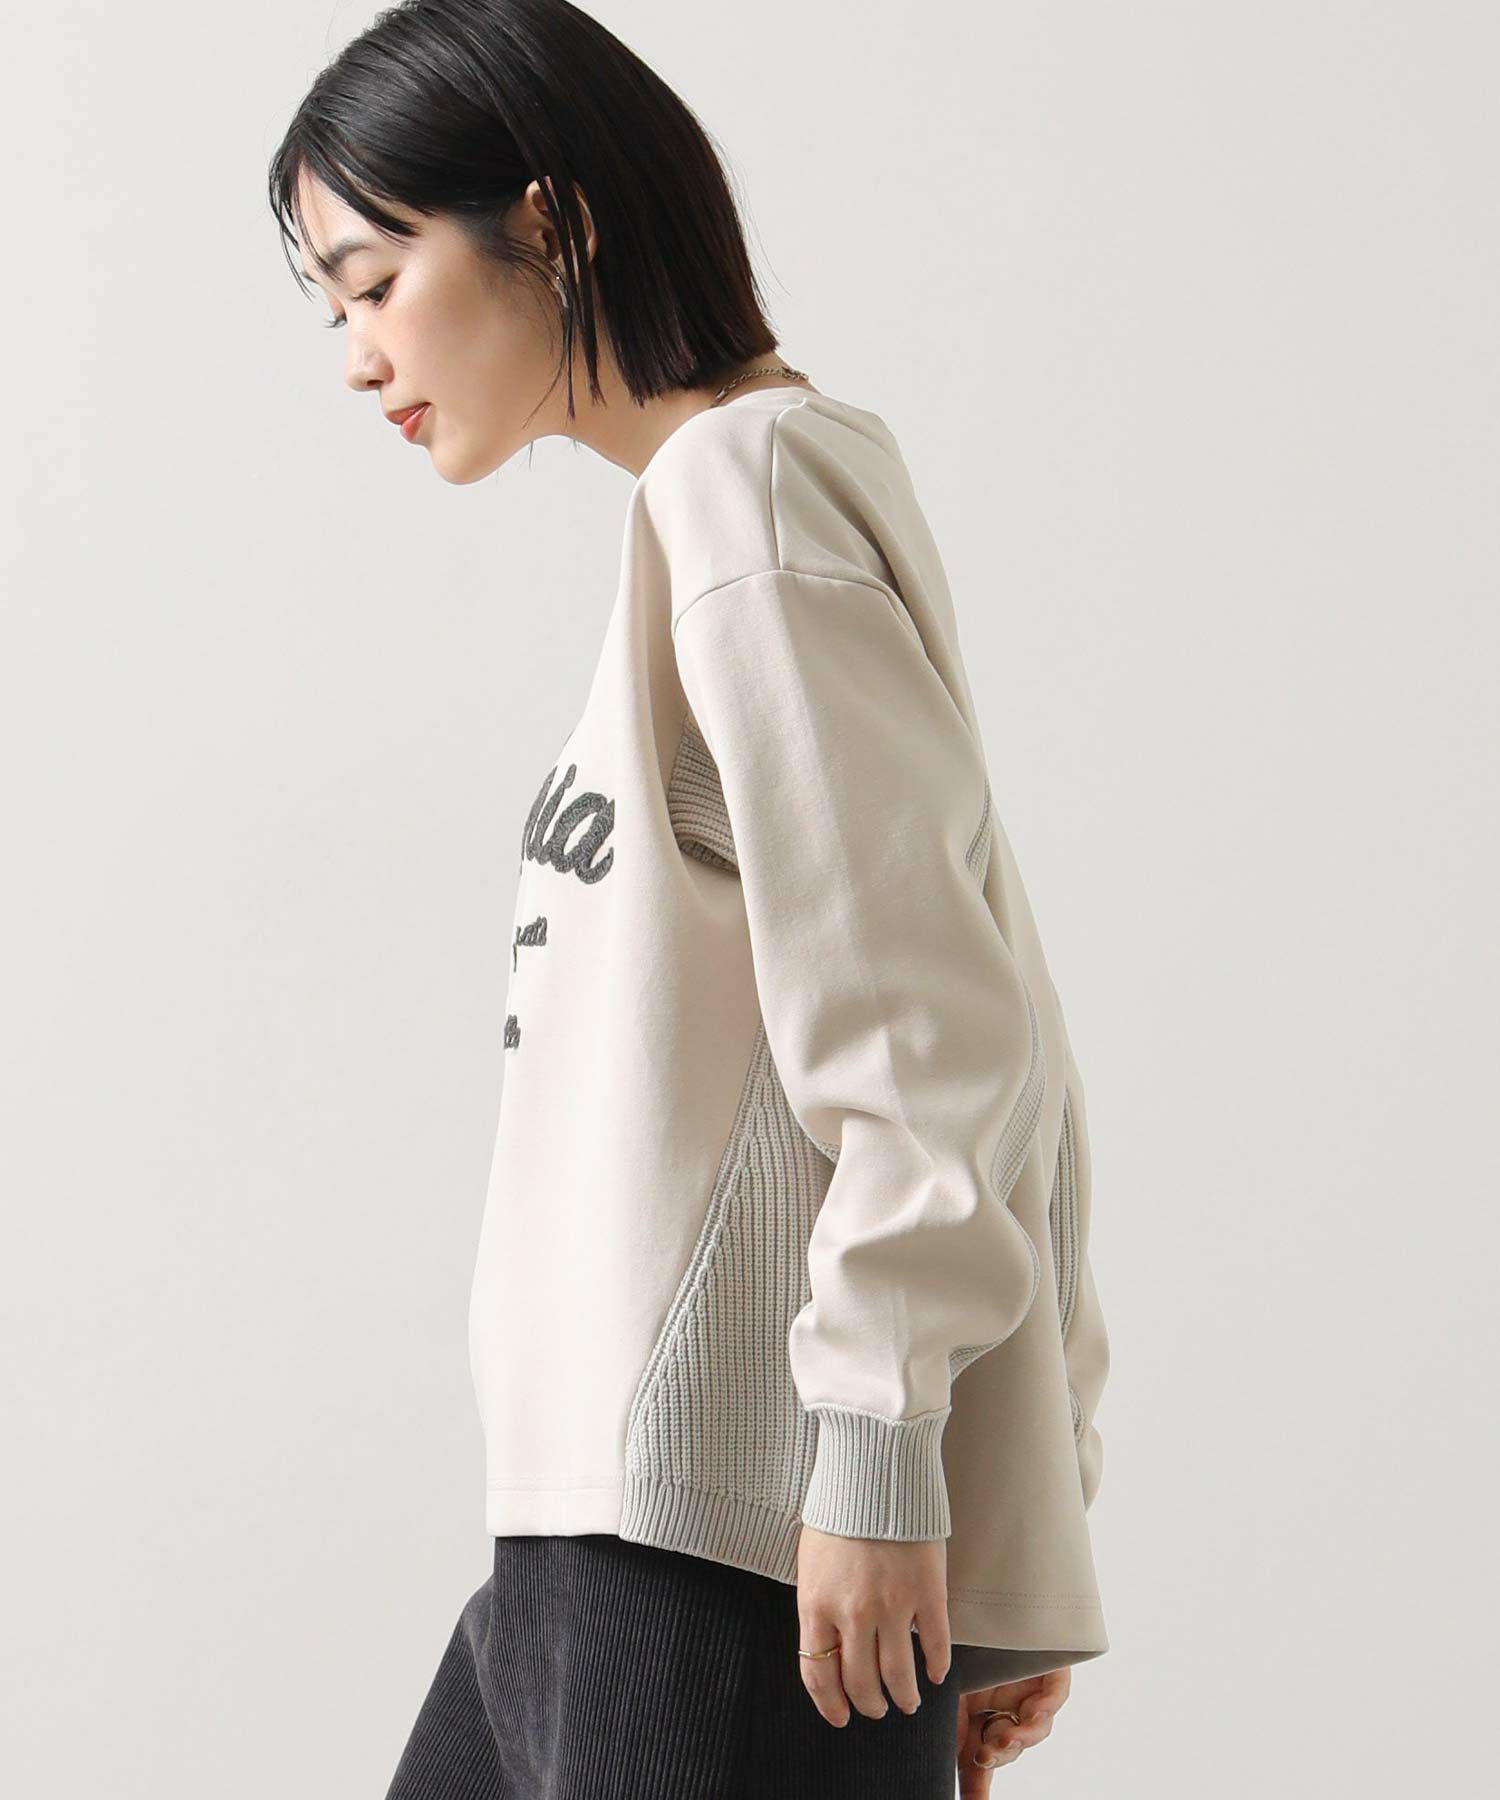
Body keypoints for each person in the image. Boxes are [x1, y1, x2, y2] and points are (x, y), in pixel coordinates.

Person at [267, 2, 1111, 1793]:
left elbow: (937, 1034)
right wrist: (1016, 1520)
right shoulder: (721, 510)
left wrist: (899, 1476)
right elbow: (1004, 1013)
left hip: (722, 1565)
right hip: (594, 1541)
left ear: (554, 225)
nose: (356, 357)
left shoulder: (752, 491)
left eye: (373, 281)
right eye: (332, 308)